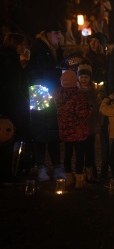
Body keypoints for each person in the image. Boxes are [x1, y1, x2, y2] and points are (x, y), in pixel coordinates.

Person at [26, 20, 67, 183]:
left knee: (54, 130)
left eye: (61, 33)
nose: (60, 36)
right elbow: (34, 74)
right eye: (57, 33)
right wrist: (46, 91)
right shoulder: (39, 50)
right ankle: (42, 167)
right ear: (48, 34)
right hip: (40, 94)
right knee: (40, 131)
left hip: (55, 94)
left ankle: (56, 166)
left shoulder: (57, 51)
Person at [0, 31, 31, 184]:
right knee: (7, 139)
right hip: (10, 105)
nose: (24, 47)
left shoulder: (8, 58)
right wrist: (23, 101)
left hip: (7, 104)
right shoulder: (10, 61)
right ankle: (6, 174)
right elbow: (15, 85)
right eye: (22, 44)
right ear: (15, 45)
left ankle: (8, 172)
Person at [54, 69, 93, 188]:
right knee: (79, 154)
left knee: (67, 154)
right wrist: (90, 108)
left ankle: (68, 177)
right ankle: (79, 179)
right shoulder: (77, 95)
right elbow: (82, 113)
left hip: (65, 130)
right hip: (77, 131)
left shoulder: (57, 94)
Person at [76, 62, 104, 184]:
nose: (84, 79)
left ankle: (90, 174)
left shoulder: (94, 93)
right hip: (79, 127)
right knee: (79, 152)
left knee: (90, 151)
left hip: (91, 126)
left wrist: (99, 121)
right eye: (81, 77)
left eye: (86, 77)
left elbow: (98, 109)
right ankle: (79, 175)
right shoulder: (76, 92)